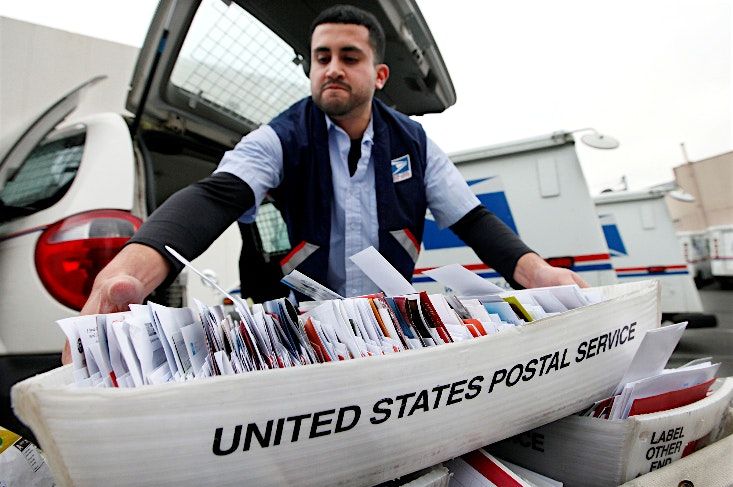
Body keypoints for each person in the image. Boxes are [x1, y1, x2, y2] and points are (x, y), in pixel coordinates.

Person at [63, 4, 586, 363]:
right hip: (296, 334)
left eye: (349, 57)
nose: (332, 68)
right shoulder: (280, 137)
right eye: (321, 58)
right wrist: (127, 270)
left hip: (389, 330)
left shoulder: (415, 144)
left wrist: (538, 274)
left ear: (379, 75)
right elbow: (216, 196)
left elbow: (474, 220)